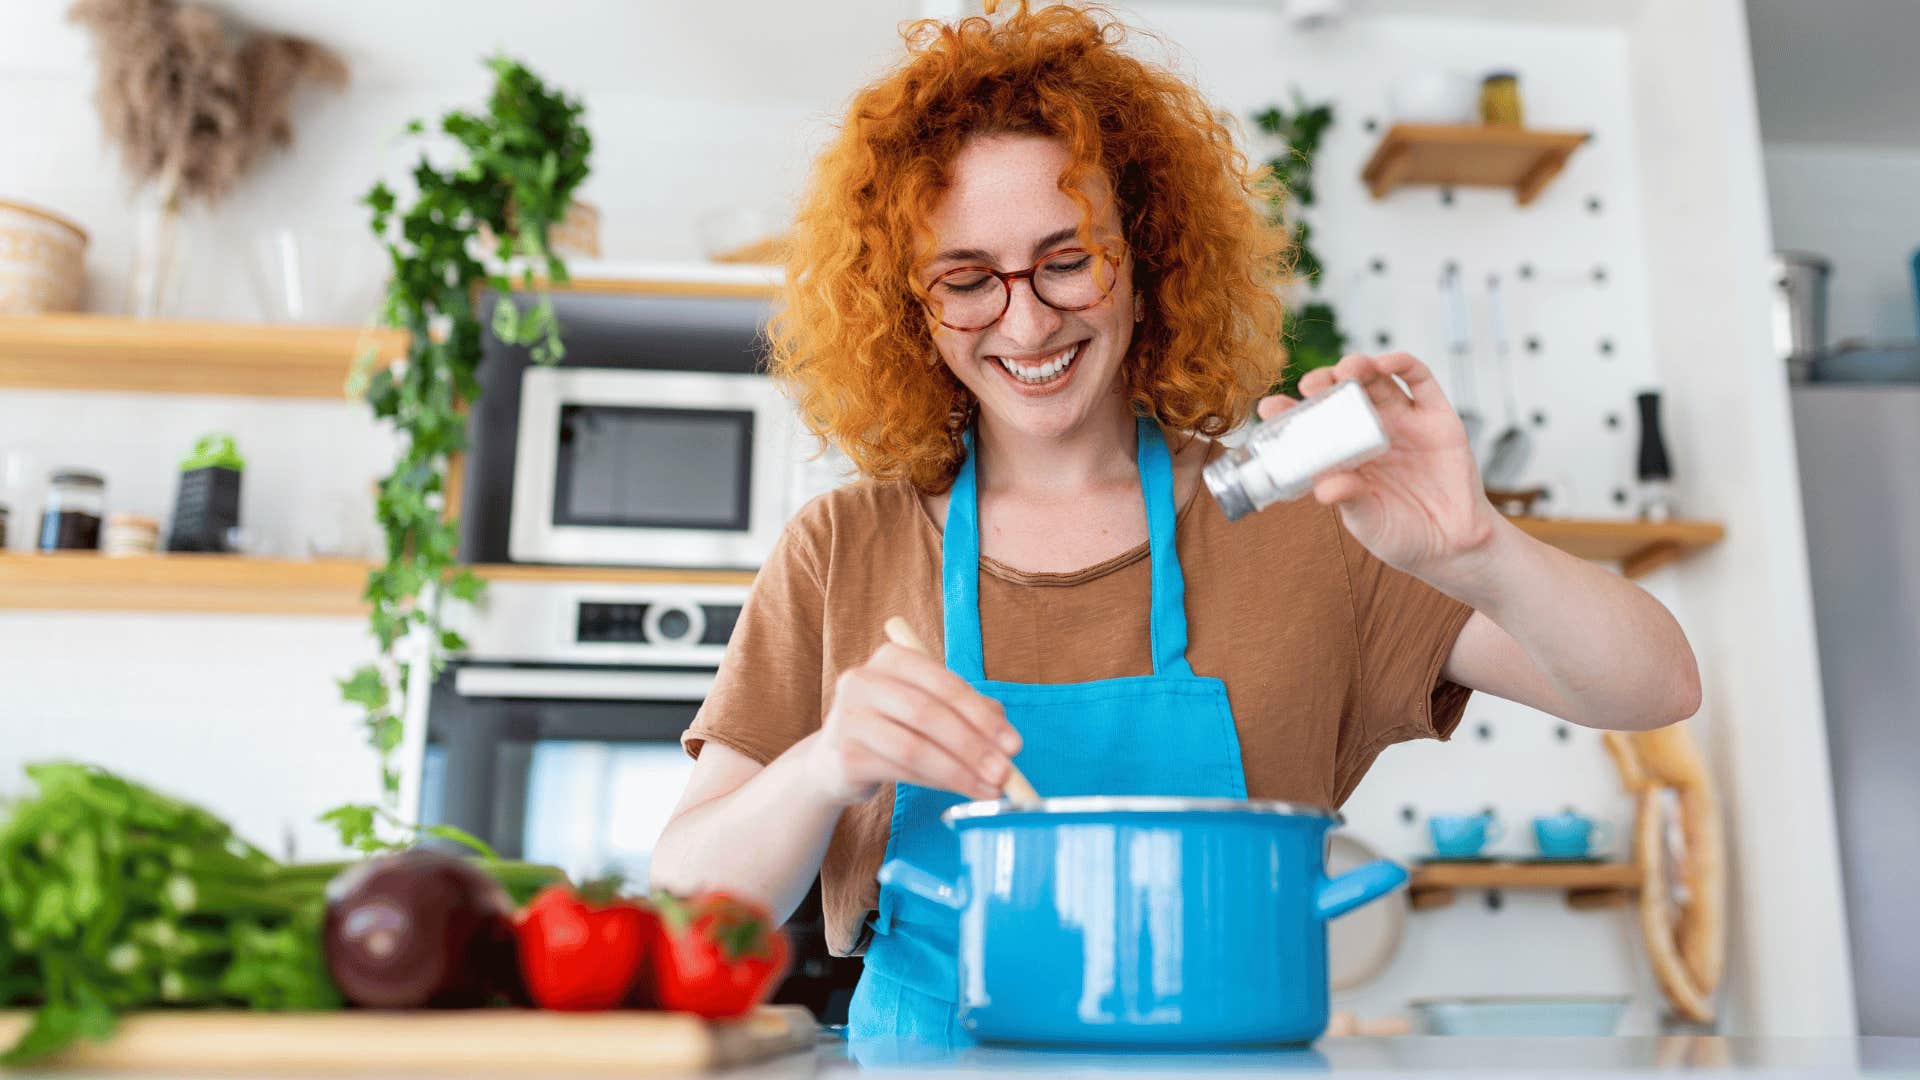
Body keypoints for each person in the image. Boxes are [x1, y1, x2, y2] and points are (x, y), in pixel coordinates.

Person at [650, 2, 1700, 1043]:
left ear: (1146, 258)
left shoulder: (1312, 522)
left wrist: (1482, 548)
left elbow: (1656, 686)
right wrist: (829, 760)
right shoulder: (845, 548)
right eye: (966, 279)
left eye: (1067, 259)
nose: (1026, 321)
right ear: (912, 306)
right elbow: (696, 899)